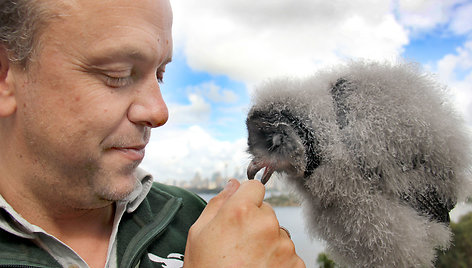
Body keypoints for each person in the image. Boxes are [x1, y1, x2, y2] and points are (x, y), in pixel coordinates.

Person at [0, 0, 305, 267]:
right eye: (116, 74)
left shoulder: (195, 218)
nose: (159, 112)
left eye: (160, 74)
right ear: (5, 76)